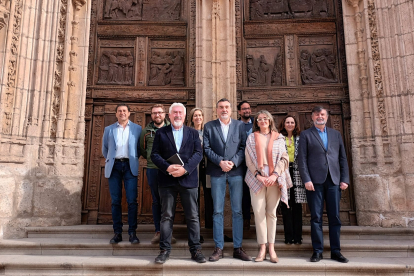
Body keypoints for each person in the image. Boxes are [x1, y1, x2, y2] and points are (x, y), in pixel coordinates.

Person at [151, 103, 206, 264]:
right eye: (174, 112)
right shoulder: (161, 133)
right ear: (169, 115)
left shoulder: (193, 133)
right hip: (167, 180)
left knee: (193, 217)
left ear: (184, 115)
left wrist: (186, 169)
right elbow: (154, 155)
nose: (177, 115)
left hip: (188, 180)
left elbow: (198, 153)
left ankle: (196, 250)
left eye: (180, 112)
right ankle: (164, 250)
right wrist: (167, 167)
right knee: (166, 216)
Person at [297, 106, 350, 263]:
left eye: (322, 114)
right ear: (312, 117)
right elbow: (302, 160)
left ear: (326, 117)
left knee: (334, 217)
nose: (320, 117)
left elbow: (342, 158)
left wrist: (345, 179)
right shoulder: (306, 135)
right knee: (316, 217)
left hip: (334, 181)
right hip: (314, 182)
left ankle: (336, 251)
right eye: (316, 114)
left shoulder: (336, 134)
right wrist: (306, 179)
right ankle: (318, 251)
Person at [203, 98, 252, 262]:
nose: (224, 109)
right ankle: (219, 248)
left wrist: (234, 162)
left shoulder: (239, 126)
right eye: (221, 107)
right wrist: (220, 162)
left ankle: (238, 248)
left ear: (231, 110)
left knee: (237, 210)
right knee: (217, 211)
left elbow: (243, 147)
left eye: (226, 107)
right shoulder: (209, 126)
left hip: (236, 172)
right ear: (216, 110)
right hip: (217, 172)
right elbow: (207, 148)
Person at [245, 110, 291, 263]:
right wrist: (258, 175)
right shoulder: (251, 137)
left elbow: (284, 158)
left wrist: (274, 175)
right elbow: (248, 160)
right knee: (259, 213)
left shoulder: (279, 138)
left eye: (265, 118)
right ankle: (262, 247)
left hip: (274, 179)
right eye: (259, 119)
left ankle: (271, 248)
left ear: (270, 121)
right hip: (257, 179)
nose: (263, 121)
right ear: (256, 122)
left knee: (271, 213)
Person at [102, 103, 142, 244]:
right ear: (116, 114)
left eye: (124, 111)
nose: (122, 113)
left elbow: (140, 148)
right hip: (114, 167)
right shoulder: (109, 129)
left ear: (129, 113)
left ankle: (132, 233)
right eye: (119, 111)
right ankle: (117, 233)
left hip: (130, 166)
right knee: (115, 201)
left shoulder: (137, 129)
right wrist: (112, 159)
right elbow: (105, 149)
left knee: (132, 201)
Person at [140, 104, 176, 244]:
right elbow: (142, 149)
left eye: (160, 113)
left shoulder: (171, 129)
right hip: (153, 168)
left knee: (169, 201)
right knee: (156, 200)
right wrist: (151, 158)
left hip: (168, 169)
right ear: (151, 115)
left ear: (165, 114)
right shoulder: (146, 131)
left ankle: (168, 232)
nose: (157, 115)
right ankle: (158, 231)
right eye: (154, 113)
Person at [278, 115, 307, 245]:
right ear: (283, 124)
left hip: (297, 173)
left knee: (297, 205)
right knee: (285, 204)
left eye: (292, 122)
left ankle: (298, 237)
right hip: (284, 172)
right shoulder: (279, 138)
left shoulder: (301, 139)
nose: (290, 124)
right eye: (287, 122)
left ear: (295, 125)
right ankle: (288, 237)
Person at [188, 108, 213, 233]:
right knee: (195, 197)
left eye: (200, 115)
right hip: (193, 168)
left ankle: (210, 225)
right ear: (192, 118)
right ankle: (196, 230)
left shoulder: (208, 132)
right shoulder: (188, 132)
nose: (198, 117)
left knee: (210, 196)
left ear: (203, 117)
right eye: (195, 115)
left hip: (207, 167)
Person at [237, 101, 254, 230]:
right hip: (241, 165)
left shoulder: (257, 123)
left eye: (248, 108)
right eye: (244, 109)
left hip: (257, 164)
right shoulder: (235, 125)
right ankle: (246, 219)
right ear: (239, 112)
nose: (246, 111)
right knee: (243, 193)